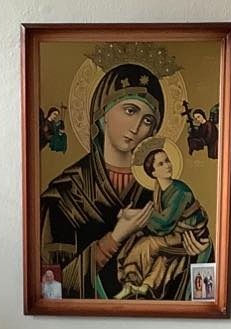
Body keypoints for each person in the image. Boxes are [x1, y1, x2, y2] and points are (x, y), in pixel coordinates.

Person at [38, 62, 164, 300]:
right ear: (103, 112)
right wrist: (115, 238)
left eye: (148, 120)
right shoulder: (63, 196)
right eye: (130, 111)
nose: (136, 127)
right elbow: (50, 289)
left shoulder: (161, 190)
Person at [114, 146, 213, 300]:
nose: (167, 165)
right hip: (177, 235)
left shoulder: (180, 191)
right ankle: (143, 286)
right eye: (161, 163)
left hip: (191, 236)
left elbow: (164, 223)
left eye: (167, 161)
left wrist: (132, 214)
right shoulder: (159, 191)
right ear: (153, 173)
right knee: (160, 257)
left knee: (148, 244)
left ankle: (131, 278)